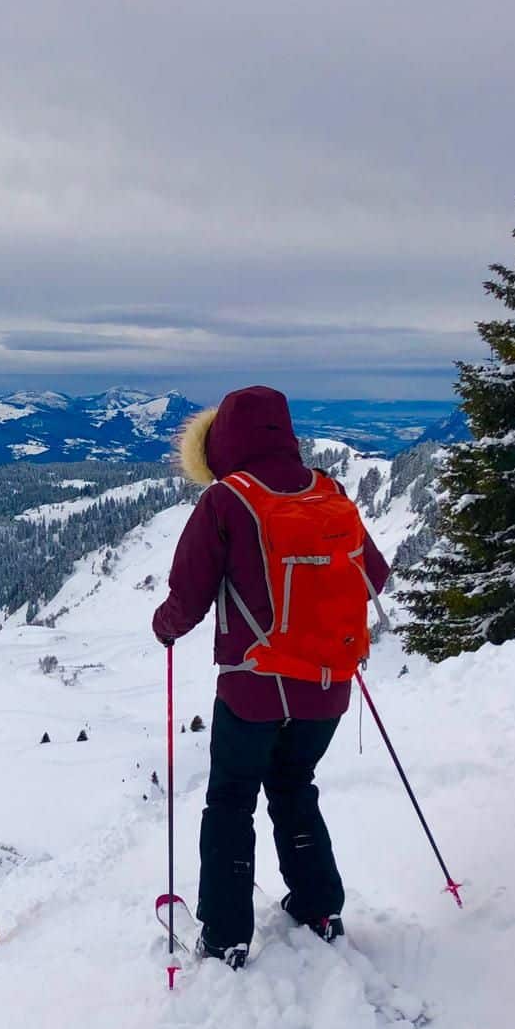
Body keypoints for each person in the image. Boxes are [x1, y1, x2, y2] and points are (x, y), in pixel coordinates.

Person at [151, 387, 390, 968]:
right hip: (328, 686)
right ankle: (319, 907)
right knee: (294, 786)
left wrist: (165, 627)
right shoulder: (329, 492)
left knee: (231, 801)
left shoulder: (227, 500)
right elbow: (374, 577)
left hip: (253, 685)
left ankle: (227, 934)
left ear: (221, 442)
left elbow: (190, 595)